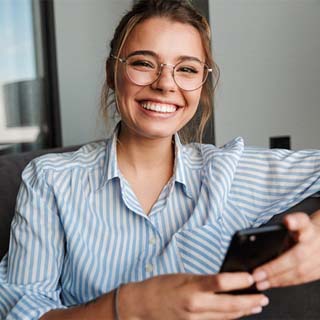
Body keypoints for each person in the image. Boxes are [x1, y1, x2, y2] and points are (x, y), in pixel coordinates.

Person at [1, 0, 320, 319]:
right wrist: (127, 306)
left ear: (201, 84)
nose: (166, 84)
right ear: (113, 72)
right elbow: (22, 312)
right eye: (143, 63)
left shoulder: (229, 171)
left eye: (187, 69)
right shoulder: (50, 179)